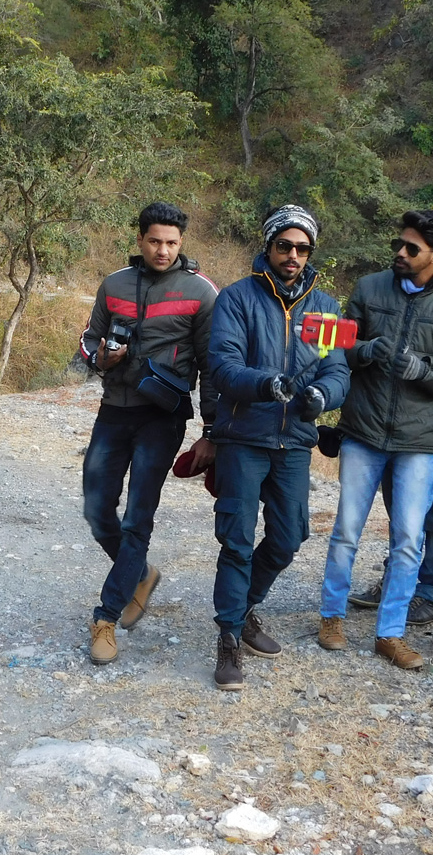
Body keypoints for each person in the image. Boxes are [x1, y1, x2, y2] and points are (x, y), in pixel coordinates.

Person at [317, 210, 433, 669]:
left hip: (420, 441)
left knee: (409, 538)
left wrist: (423, 369)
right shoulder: (370, 288)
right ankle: (331, 616)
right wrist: (366, 350)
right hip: (363, 430)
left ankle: (389, 633)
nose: (400, 253)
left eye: (412, 249)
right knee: (346, 530)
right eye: (399, 244)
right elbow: (337, 347)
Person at [205, 205, 350, 690]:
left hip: (295, 442)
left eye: (302, 248)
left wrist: (321, 395)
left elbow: (337, 370)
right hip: (244, 437)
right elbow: (222, 364)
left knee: (289, 537)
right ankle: (229, 637)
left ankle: (243, 609)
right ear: (268, 246)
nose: (293, 255)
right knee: (237, 539)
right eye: (284, 245)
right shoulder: (237, 298)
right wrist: (266, 383)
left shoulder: (325, 307)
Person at [79, 202, 220, 665]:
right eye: (155, 241)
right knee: (97, 510)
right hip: (114, 410)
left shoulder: (200, 291)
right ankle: (140, 573)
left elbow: (213, 366)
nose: (163, 250)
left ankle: (106, 617)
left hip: (163, 416)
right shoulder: (114, 284)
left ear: (182, 243)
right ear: (140, 239)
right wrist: (102, 358)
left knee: (138, 517)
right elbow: (89, 339)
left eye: (172, 243)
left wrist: (211, 430)